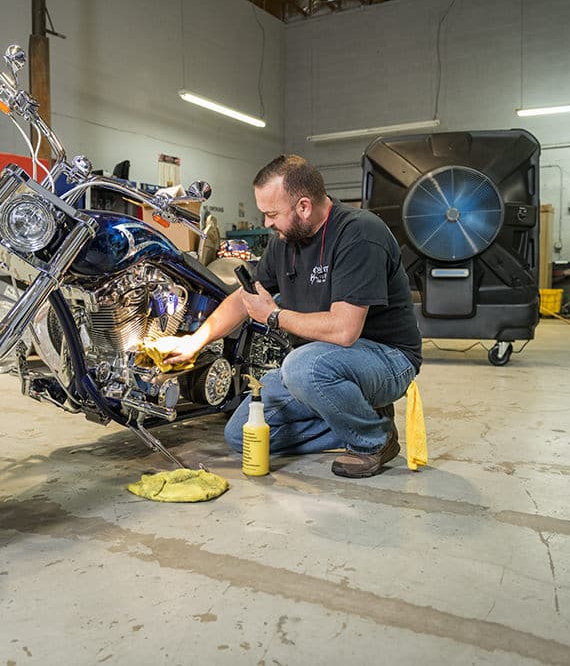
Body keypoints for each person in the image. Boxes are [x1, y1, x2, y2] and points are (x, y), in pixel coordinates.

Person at [158, 154, 422, 478]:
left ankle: (373, 440)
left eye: (271, 214)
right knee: (242, 433)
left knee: (301, 367)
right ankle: (362, 416)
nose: (267, 223)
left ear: (304, 207)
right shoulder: (285, 243)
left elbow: (344, 331)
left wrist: (274, 316)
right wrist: (195, 341)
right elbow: (244, 298)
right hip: (321, 363)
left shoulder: (359, 234)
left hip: (386, 359)